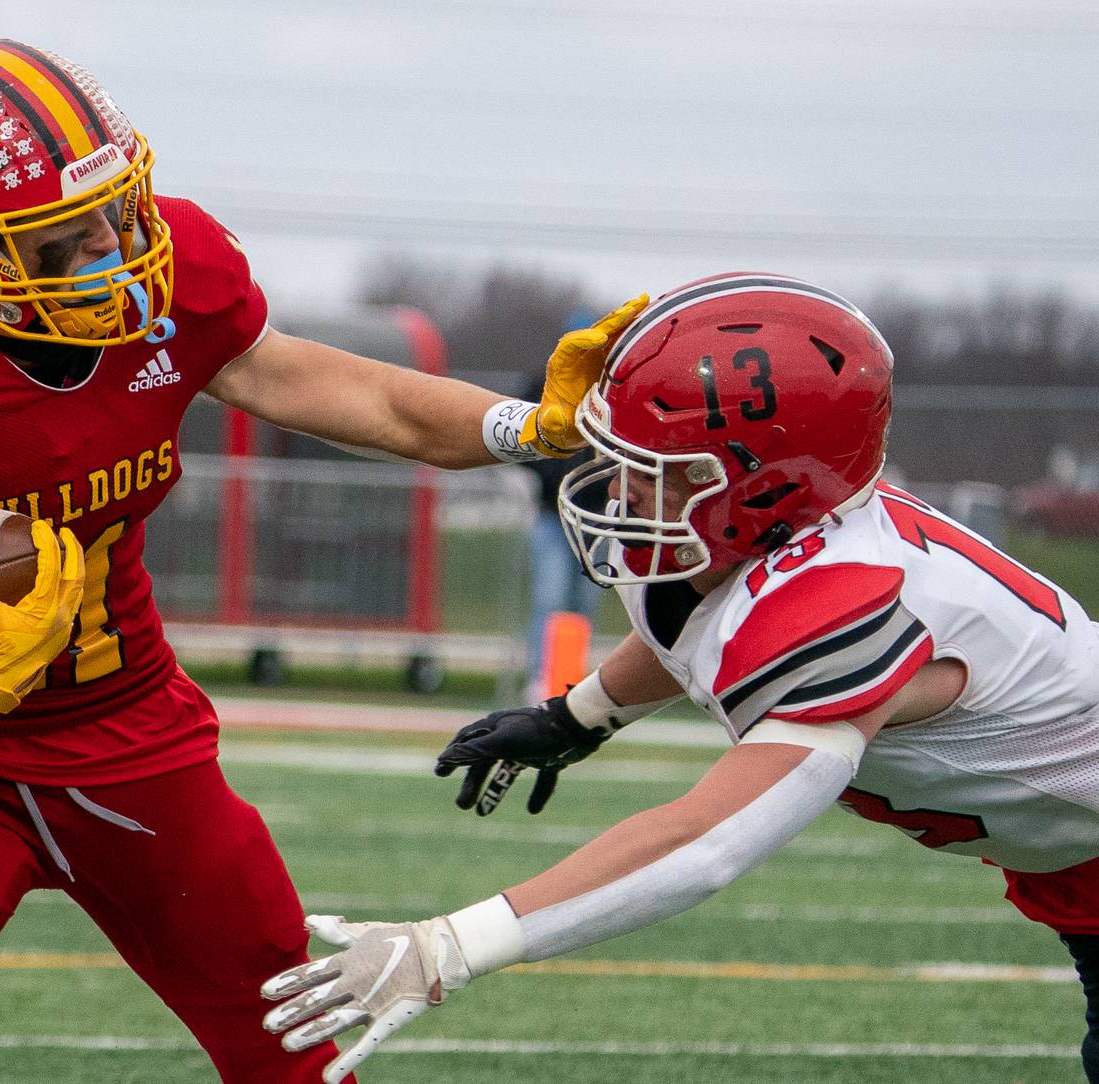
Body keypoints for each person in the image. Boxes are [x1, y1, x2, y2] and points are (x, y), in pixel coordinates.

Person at [0, 38, 647, 1084]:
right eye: (61, 238)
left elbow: (358, 394)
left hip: (128, 729)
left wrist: (522, 427)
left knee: (284, 1026)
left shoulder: (173, 278)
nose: (107, 249)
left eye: (112, 210)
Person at [260, 273, 1099, 1084]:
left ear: (766, 486)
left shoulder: (845, 604)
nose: (622, 487)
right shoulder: (749, 541)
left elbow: (706, 842)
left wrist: (448, 948)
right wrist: (578, 715)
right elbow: (693, 630)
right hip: (1071, 861)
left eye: (660, 467)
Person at [518, 348, 607, 703]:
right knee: (550, 599)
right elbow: (519, 436)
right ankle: (543, 677)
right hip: (553, 513)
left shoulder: (611, 386)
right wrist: (551, 475)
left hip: (599, 517)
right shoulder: (542, 386)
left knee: (584, 603)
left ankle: (570, 678)